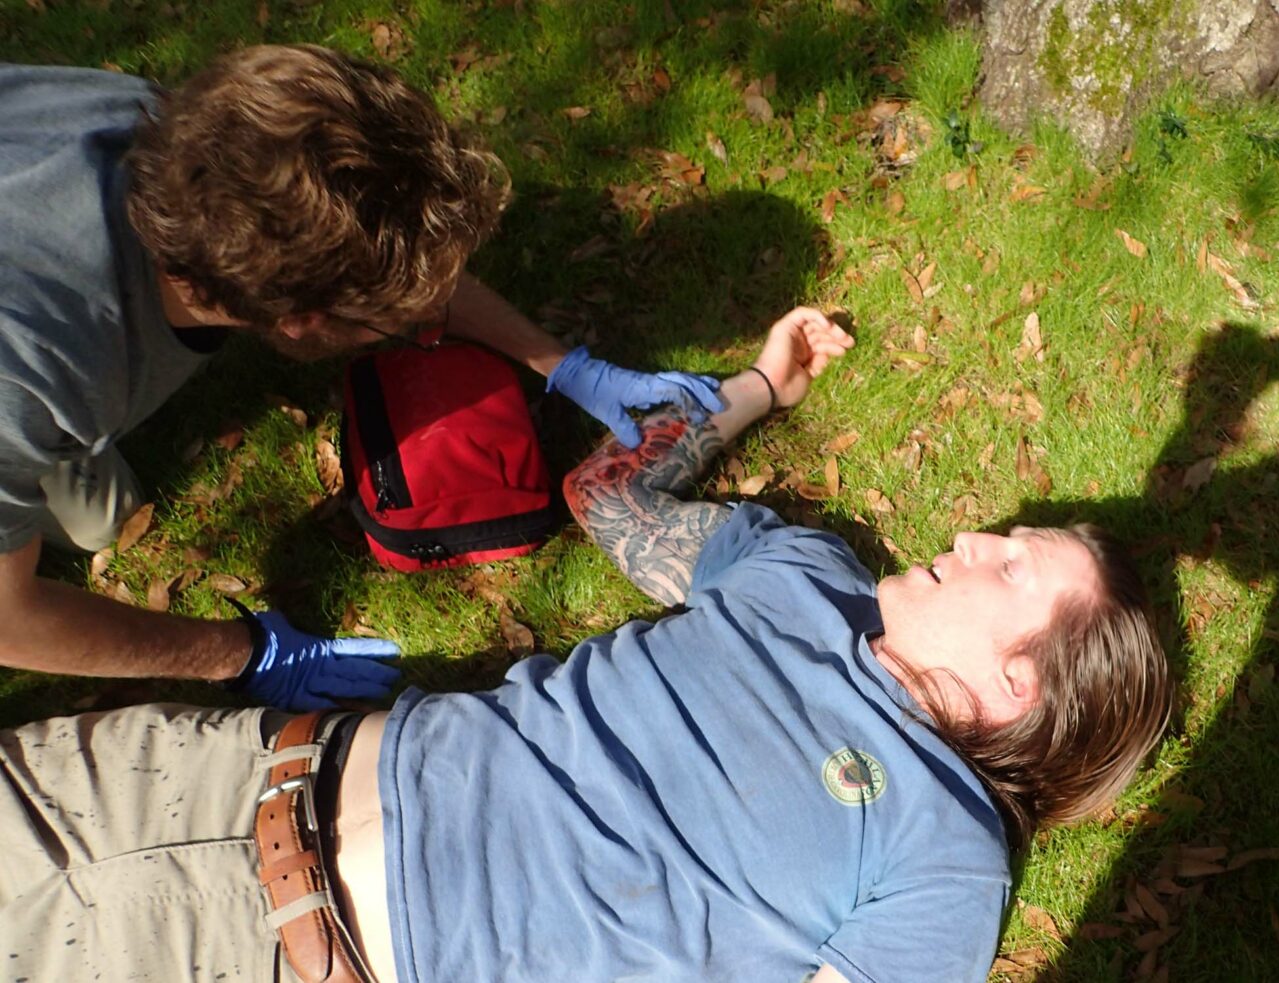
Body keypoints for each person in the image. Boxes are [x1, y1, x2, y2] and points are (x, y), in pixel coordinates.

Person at [0, 308, 1172, 982]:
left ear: (1021, 685)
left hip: (269, 957)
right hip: (231, 764)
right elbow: (611, 499)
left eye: (1011, 564)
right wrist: (759, 387)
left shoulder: (945, 855)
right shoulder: (807, 578)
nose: (969, 533)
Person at [0, 45, 720, 710]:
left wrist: (562, 364)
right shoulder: (35, 378)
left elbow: (390, 261)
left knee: (103, 519)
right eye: (399, 317)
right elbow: (12, 621)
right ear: (301, 321)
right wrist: (241, 653)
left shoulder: (192, 137)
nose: (426, 320)